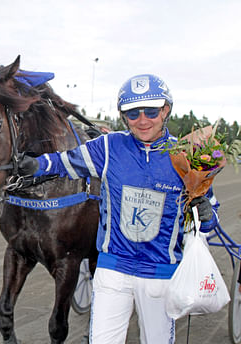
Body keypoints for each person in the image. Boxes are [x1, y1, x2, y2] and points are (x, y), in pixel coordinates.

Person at [17, 74, 220, 344]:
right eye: (133, 113)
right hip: (113, 270)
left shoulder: (187, 156)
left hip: (160, 275)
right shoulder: (108, 147)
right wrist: (35, 165)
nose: (143, 119)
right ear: (124, 116)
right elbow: (64, 161)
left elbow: (209, 221)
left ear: (166, 110)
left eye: (151, 111)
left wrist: (206, 214)